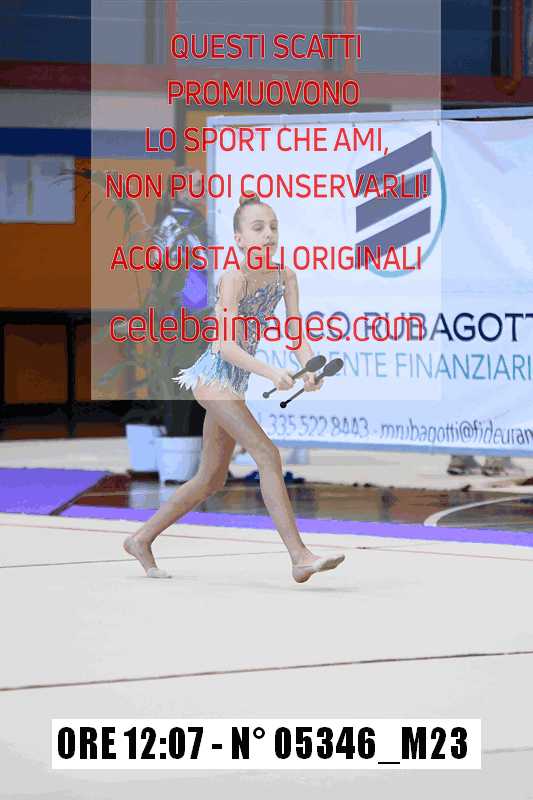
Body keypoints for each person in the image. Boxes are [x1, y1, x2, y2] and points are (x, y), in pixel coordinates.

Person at [124, 193, 345, 584]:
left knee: (210, 480)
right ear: (239, 239)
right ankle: (299, 557)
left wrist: (307, 370)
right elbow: (225, 346)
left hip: (235, 383)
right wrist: (269, 372)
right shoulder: (233, 279)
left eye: (273, 227)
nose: (269, 234)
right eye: (258, 228)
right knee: (267, 454)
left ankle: (140, 539)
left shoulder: (285, 276)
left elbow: (296, 335)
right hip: (213, 379)